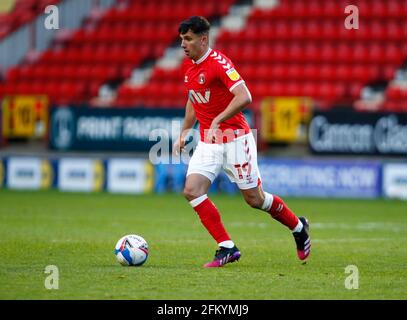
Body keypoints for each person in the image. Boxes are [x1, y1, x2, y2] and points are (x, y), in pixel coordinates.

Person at [173, 16, 311, 268]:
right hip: (209, 141)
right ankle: (227, 247)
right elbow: (194, 99)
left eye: (188, 39)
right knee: (192, 190)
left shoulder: (219, 64)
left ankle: (298, 227)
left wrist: (218, 119)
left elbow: (244, 96)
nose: (183, 44)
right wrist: (184, 131)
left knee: (255, 200)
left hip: (235, 139)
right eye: (182, 39)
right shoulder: (190, 68)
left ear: (203, 40)